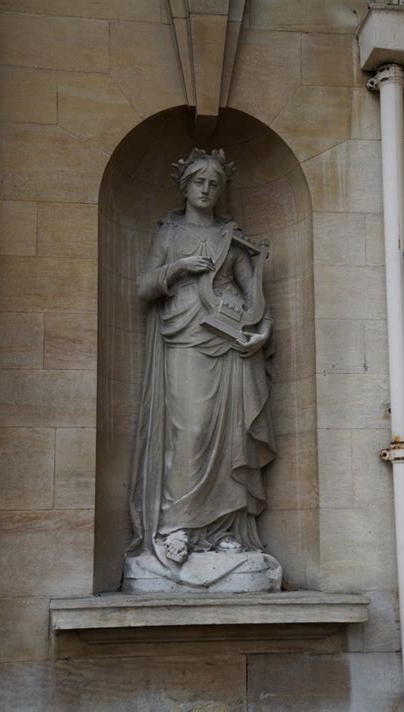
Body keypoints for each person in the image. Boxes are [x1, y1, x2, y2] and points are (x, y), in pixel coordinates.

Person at [123, 148, 277, 590]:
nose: (207, 190)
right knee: (189, 432)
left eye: (214, 184)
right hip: (185, 338)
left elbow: (256, 297)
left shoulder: (232, 237)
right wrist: (180, 267)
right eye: (199, 183)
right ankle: (177, 528)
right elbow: (143, 287)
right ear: (185, 186)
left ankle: (223, 532)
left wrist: (261, 331)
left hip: (229, 342)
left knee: (230, 435)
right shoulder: (170, 232)